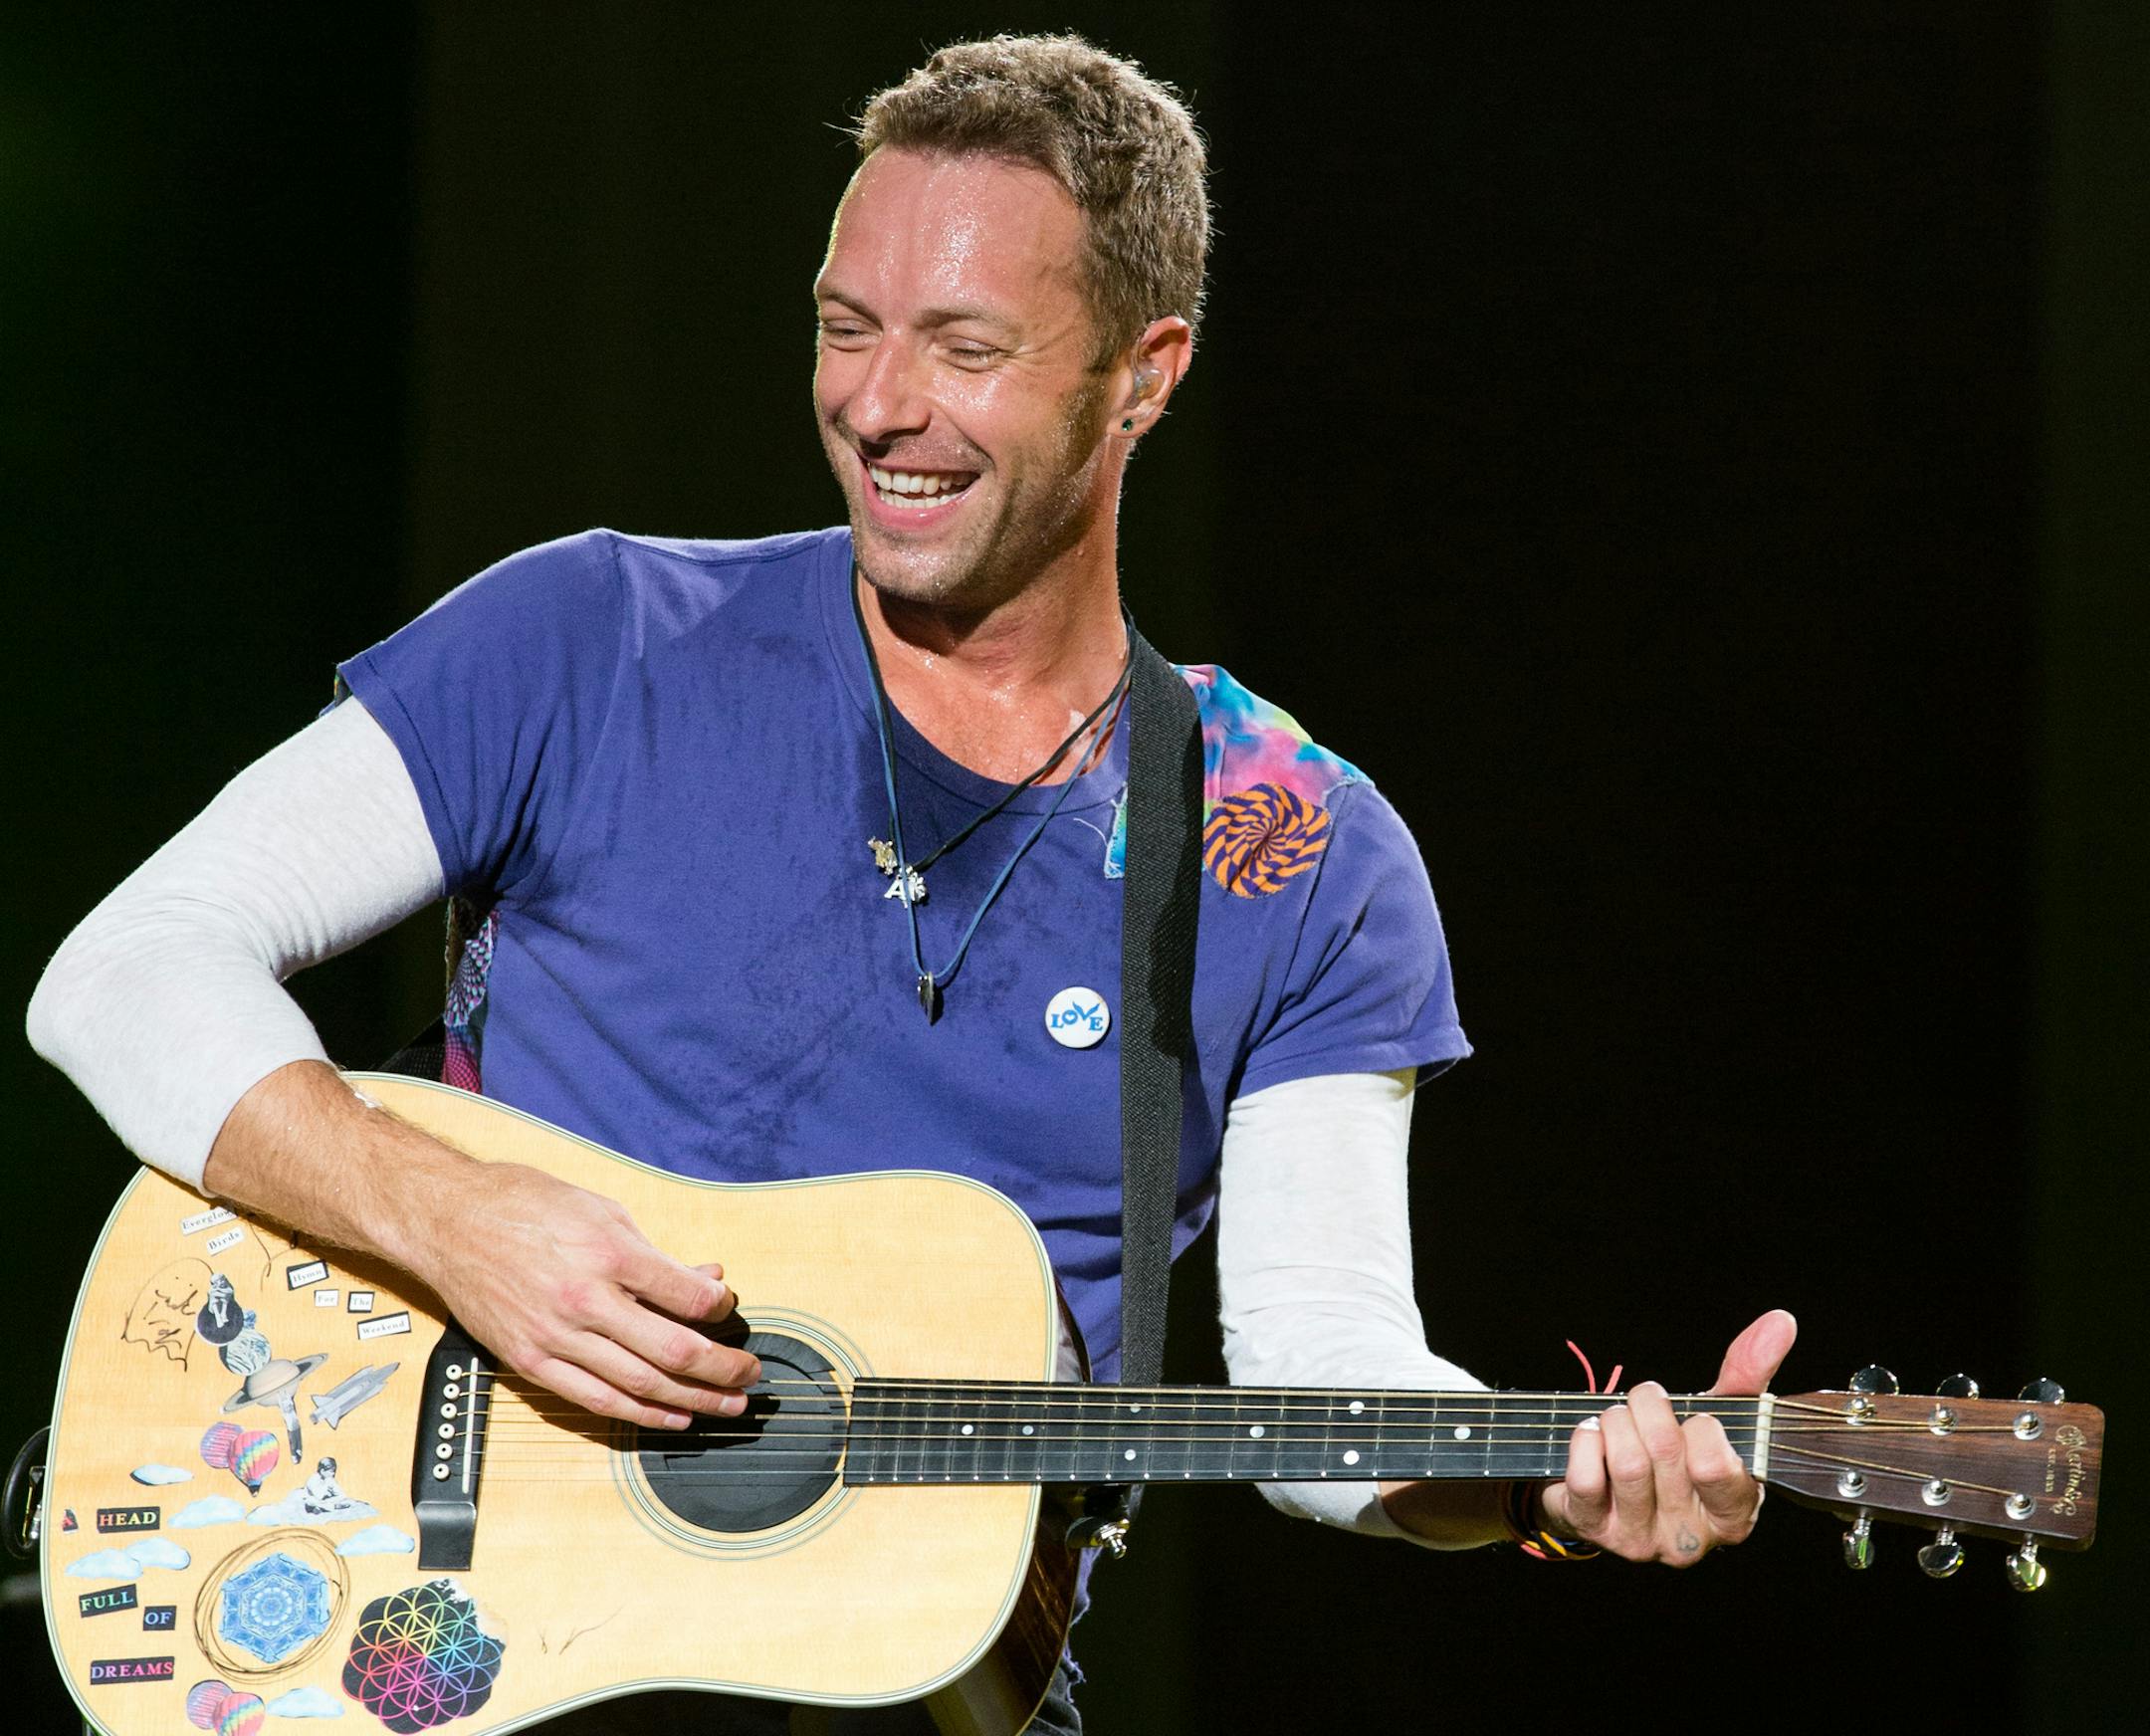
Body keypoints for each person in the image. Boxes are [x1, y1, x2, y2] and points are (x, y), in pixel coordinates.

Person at [29, 33, 1794, 1734]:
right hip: (470, 1641)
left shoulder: (1301, 855)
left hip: (925, 1693)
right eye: (846, 326)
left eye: (965, 346)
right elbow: (124, 971)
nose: (880, 405)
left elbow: (1321, 1378)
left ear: (1147, 371)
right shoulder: (589, 638)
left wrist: (1544, 1488)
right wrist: (451, 1219)